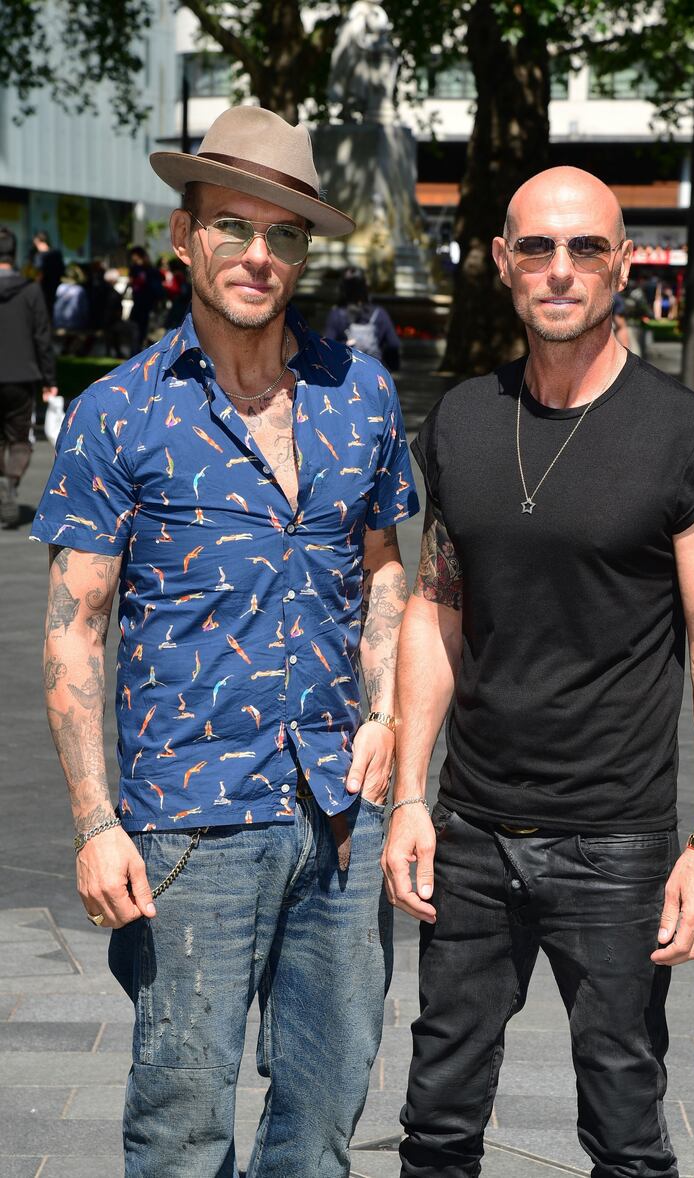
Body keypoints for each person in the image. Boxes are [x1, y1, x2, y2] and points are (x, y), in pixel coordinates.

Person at [33, 104, 419, 1176]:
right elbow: (76, 627)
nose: (259, 254)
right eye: (232, 227)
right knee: (182, 1123)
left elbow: (384, 567)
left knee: (324, 1112)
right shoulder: (122, 412)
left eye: (284, 233)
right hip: (189, 823)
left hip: (336, 807)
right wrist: (94, 820)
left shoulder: (362, 398)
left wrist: (387, 715)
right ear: (183, 234)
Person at [382, 166, 694, 1178]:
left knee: (627, 1134)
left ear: (620, 264)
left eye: (585, 247)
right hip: (470, 832)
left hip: (617, 845)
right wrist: (408, 796)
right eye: (536, 248)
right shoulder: (458, 420)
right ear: (500, 261)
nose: (559, 270)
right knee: (435, 1123)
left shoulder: (684, 439)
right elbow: (435, 604)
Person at [0, 227, 57, 528]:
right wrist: (49, 379)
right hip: (22, 375)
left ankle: (3, 481)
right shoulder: (30, 290)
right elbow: (42, 338)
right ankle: (11, 479)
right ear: (14, 253)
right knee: (20, 437)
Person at [325, 266, 400, 370]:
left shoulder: (337, 314)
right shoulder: (379, 313)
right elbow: (393, 344)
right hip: (374, 371)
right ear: (365, 286)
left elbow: (327, 347)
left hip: (346, 373)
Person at [127, 245, 165, 351]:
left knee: (144, 333)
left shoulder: (149, 271)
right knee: (138, 333)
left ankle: (139, 354)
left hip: (147, 305)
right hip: (141, 305)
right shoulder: (138, 269)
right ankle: (136, 354)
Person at [31, 230, 65, 316]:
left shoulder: (39, 256)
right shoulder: (57, 254)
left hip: (43, 288)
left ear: (39, 241)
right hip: (56, 287)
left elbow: (38, 273)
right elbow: (62, 270)